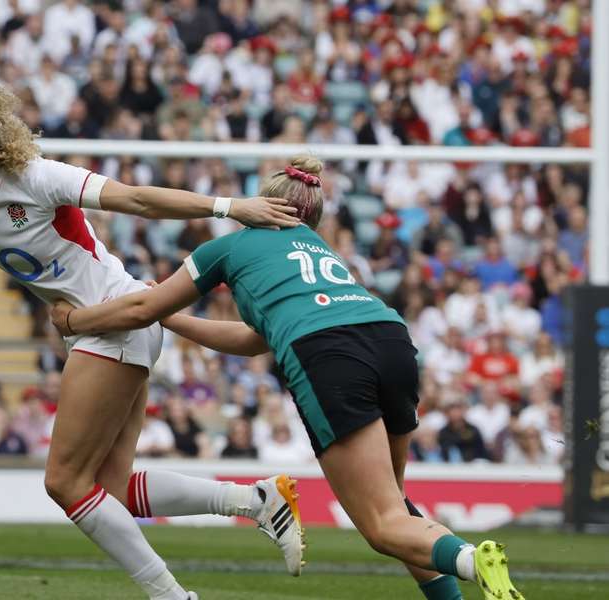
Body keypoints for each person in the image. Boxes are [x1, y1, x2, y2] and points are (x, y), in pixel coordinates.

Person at [0, 71, 304, 600]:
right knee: (110, 490)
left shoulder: (36, 176)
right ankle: (257, 501)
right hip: (111, 328)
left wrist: (230, 207)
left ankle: (171, 596)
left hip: (114, 319)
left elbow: (137, 199)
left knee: (64, 483)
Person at [51, 154, 524, 600]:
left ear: (261, 203)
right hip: (391, 339)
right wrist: (174, 321)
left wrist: (75, 321)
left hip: (330, 355)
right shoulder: (320, 248)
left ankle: (470, 560)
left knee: (382, 526)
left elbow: (141, 308)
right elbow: (254, 340)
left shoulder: (229, 246)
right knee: (395, 504)